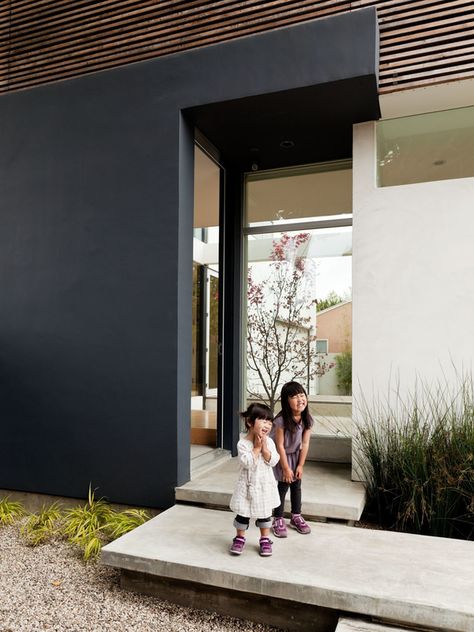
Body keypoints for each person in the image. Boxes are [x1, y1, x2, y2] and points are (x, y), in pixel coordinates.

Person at [229, 403, 280, 557]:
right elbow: (246, 463)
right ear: (250, 422)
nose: (267, 425)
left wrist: (264, 449)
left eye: (270, 422)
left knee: (265, 514)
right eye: (263, 421)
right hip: (248, 486)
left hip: (264, 485)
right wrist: (256, 448)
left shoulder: (269, 442)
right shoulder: (243, 443)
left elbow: (274, 461)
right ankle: (240, 537)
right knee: (243, 514)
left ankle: (265, 539)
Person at [271, 381, 313, 537]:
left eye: (302, 395)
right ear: (286, 401)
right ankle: (278, 518)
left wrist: (300, 465)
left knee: (297, 486)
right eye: (294, 397)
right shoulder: (281, 421)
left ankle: (296, 516)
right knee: (283, 486)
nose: (300, 399)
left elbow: (306, 443)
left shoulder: (307, 419)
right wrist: (286, 468)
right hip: (282, 456)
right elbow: (280, 446)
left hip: (296, 456)